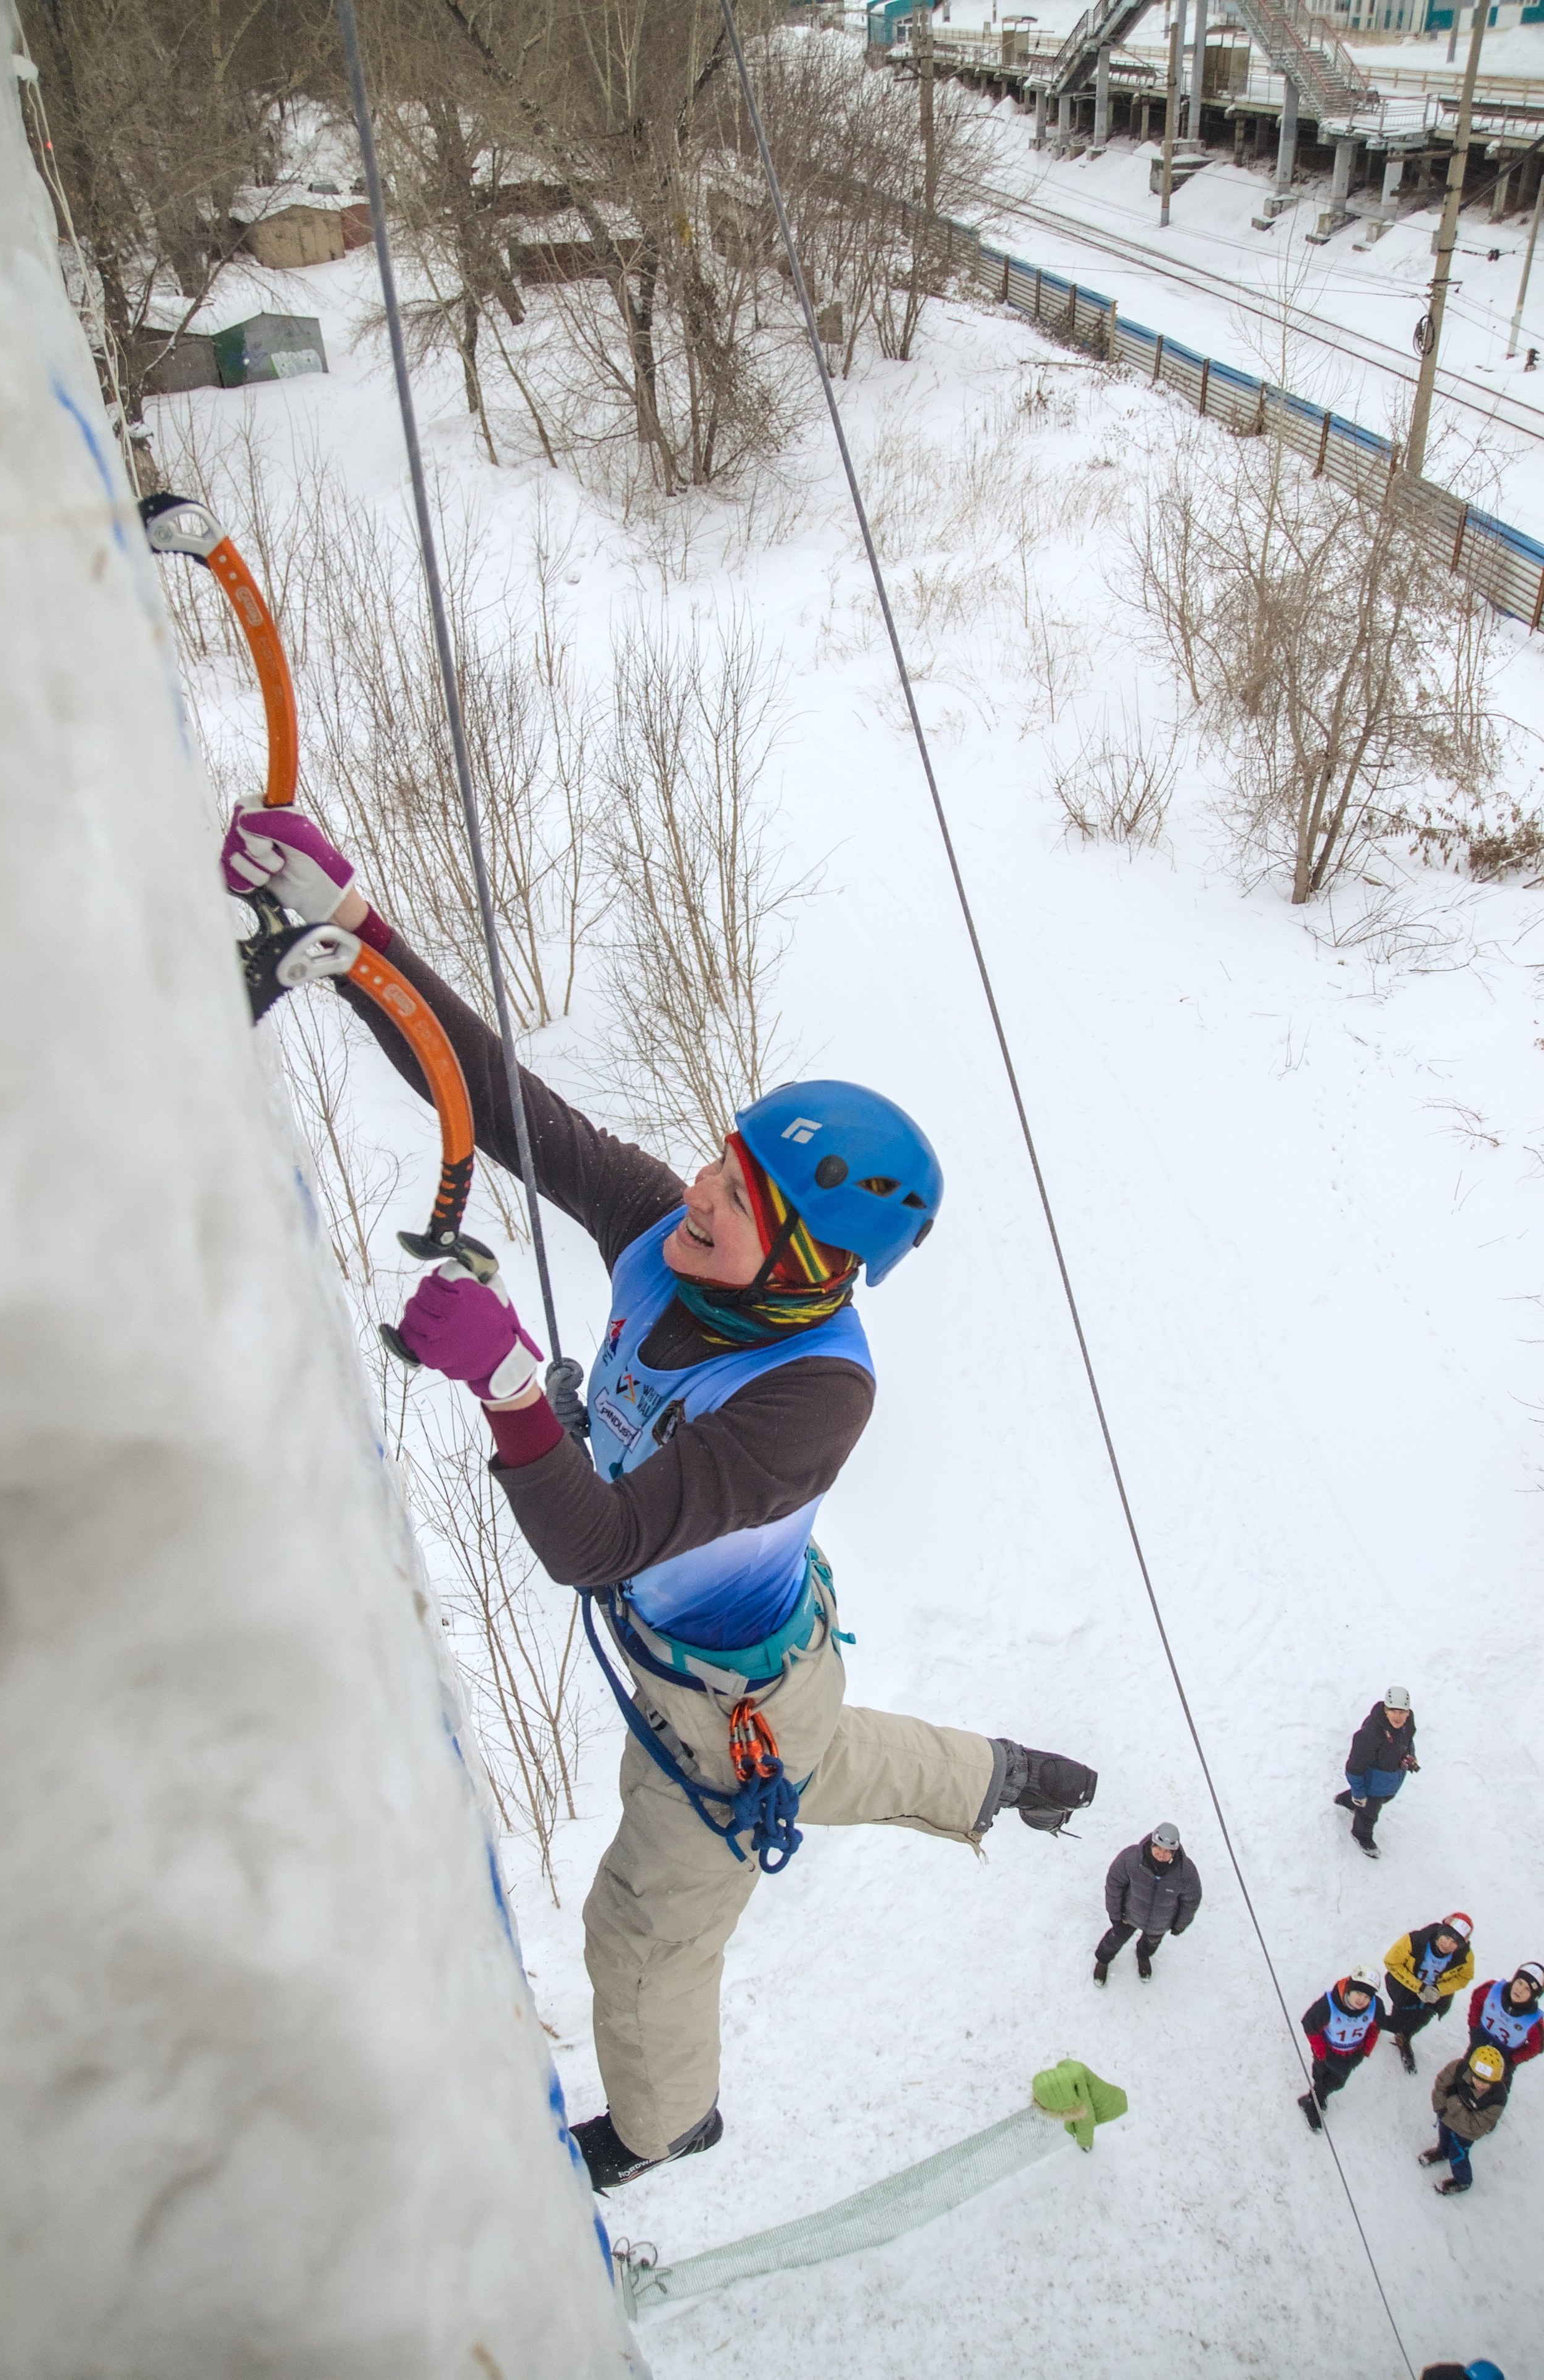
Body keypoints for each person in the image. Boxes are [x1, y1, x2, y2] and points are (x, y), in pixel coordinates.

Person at [218, 806, 1099, 2192]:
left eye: (738, 1194)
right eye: (714, 1159)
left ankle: (660, 2120)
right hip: (765, 1677)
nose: (697, 1189)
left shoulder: (819, 1391)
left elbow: (600, 1542)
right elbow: (514, 1106)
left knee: (643, 1932)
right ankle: (998, 1774)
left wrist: (512, 1381)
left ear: (810, 1257)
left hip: (716, 1720)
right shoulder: (668, 1235)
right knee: (838, 1757)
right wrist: (360, 939)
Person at [1092, 1822, 1201, 1985]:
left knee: (1151, 1944)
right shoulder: (1131, 1859)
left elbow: (1191, 1902)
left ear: (1175, 1852)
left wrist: (1180, 1925)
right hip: (1129, 1915)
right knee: (1115, 1939)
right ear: (1152, 1843)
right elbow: (1114, 1884)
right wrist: (1115, 1914)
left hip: (1160, 1923)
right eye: (1158, 1848)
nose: (1161, 1855)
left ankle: (1143, 1956)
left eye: (1167, 1852)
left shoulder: (1186, 1873)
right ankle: (1103, 1960)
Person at [1382, 1913, 1474, 2076]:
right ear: (1440, 1931)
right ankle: (1372, 2022)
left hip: (1434, 1998)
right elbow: (1392, 1961)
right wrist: (1419, 1987)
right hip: (1407, 1989)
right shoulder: (1415, 1940)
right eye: (1446, 1937)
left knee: (1420, 2021)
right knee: (1397, 2020)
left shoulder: (1465, 1957)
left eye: (1455, 1943)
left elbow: (1464, 1977)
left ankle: (1404, 2037)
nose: (1448, 1945)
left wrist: (1440, 1990)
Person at [1333, 1687, 1418, 1857]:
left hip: (1391, 1782)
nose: (1398, 1717)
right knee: (1369, 1815)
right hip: (1373, 1786)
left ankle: (1346, 1800)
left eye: (1402, 1712)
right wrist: (1359, 1792)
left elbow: (1408, 1742)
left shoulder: (1407, 1725)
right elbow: (1354, 1768)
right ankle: (1361, 1835)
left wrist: (1411, 1757)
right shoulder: (1371, 1734)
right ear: (1386, 1710)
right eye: (1393, 1711)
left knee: (1382, 1800)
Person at [1297, 1965, 1386, 2129]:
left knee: (1338, 2082)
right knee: (1321, 2074)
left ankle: (1317, 2096)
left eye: (1367, 1997)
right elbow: (1310, 2026)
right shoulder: (1328, 2006)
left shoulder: (1376, 2007)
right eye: (1358, 1993)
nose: (1361, 2000)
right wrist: (1323, 2054)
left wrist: (1366, 2051)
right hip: (1328, 2052)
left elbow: (1375, 2028)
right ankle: (1313, 2102)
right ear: (1350, 1989)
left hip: (1353, 2054)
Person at [1422, 2044, 1509, 2195]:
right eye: (1478, 2078)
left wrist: (1451, 2103)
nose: (1481, 2085)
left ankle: (1463, 2180)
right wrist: (1441, 2110)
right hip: (1446, 2117)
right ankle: (1443, 2151)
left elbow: (1474, 2126)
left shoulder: (1497, 2100)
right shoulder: (1457, 2068)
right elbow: (1441, 2086)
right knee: (1444, 2137)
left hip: (1465, 2134)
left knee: (1458, 2154)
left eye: (1486, 2082)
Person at [1467, 1962, 1543, 2074]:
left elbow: (1536, 2047)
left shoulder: (1535, 2023)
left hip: (1505, 2057)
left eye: (1527, 1989)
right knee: (1465, 2072)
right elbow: (1476, 2001)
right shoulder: (1491, 1990)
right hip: (1480, 2040)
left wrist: (1513, 2059)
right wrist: (1474, 2028)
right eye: (1519, 1983)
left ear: (1534, 1997)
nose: (1520, 1990)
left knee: (1496, 2088)